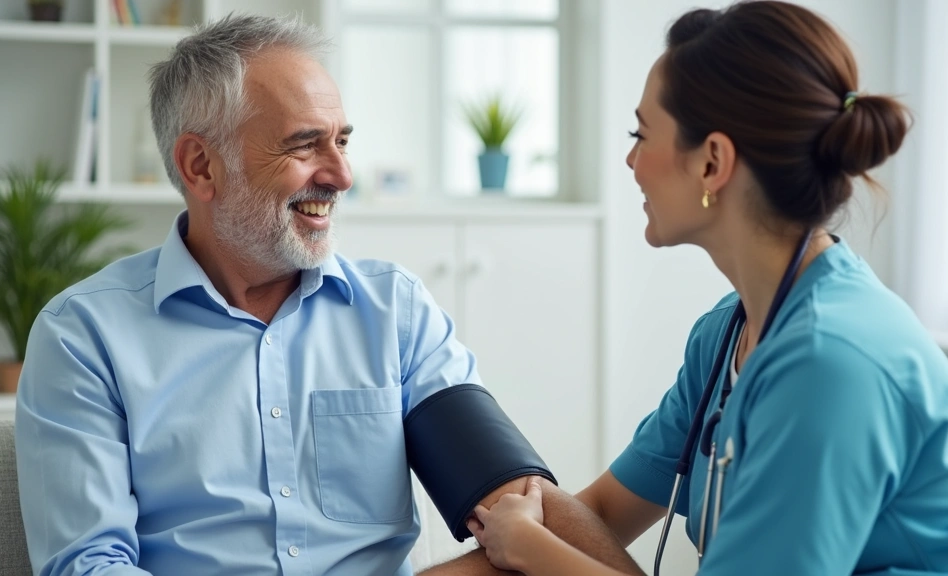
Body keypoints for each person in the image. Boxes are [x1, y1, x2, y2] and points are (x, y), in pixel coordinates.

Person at [14, 14, 642, 576]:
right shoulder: (83, 336)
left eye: (341, 141)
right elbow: (88, 565)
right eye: (304, 143)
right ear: (200, 166)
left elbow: (521, 502)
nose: (342, 175)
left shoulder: (395, 312)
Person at [467, 2, 948, 575]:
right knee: (540, 499)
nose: (631, 161)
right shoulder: (727, 333)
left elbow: (551, 543)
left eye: (642, 133)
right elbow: (601, 512)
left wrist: (531, 549)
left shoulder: (830, 362)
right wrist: (515, 533)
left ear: (712, 163)